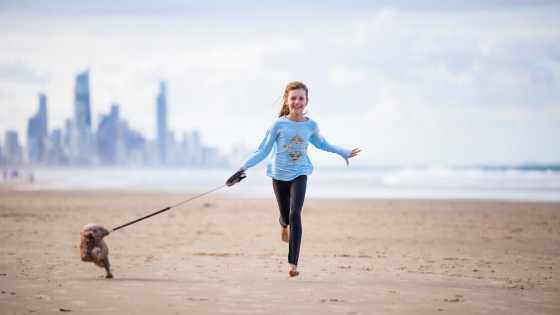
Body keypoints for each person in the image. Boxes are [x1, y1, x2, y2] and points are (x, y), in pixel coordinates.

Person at [226, 81, 361, 277]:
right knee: (284, 215)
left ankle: (293, 264)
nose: (297, 102)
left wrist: (343, 152)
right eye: (293, 98)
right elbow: (262, 150)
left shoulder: (311, 125)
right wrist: (241, 169)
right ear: (287, 101)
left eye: (301, 98)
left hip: (300, 173)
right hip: (278, 175)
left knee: (295, 213)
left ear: (307, 101)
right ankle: (282, 225)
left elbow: (322, 143)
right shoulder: (278, 124)